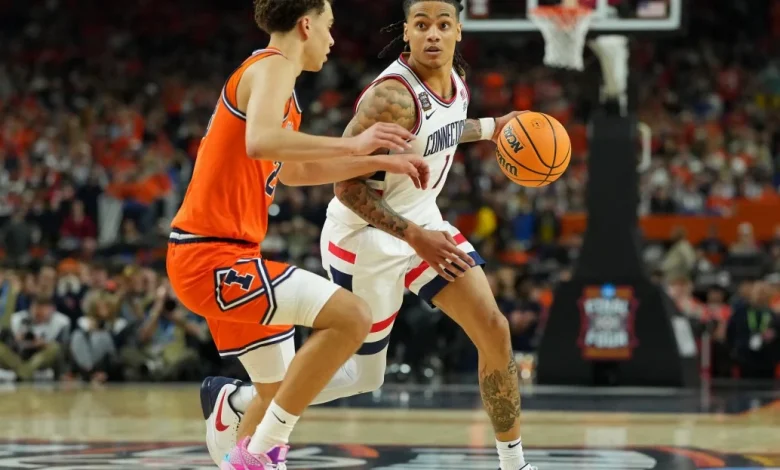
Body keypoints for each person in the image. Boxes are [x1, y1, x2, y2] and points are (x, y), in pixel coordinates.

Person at [202, 1, 537, 469]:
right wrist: (415, 237)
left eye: (443, 25)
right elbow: (348, 189)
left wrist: (489, 128)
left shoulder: (456, 81)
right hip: (365, 236)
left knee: (494, 329)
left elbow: (439, 129)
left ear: (459, 30)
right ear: (407, 33)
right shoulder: (393, 97)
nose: (433, 35)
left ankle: (514, 464)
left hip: (423, 221)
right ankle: (238, 402)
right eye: (422, 26)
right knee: (363, 376)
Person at [167, 0, 429, 467]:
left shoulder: (283, 92)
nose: (332, 41)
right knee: (351, 318)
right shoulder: (271, 68)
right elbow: (260, 141)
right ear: (306, 25)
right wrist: (355, 142)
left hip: (227, 257)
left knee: (276, 391)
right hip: (212, 259)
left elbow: (291, 170)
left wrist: (378, 161)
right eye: (329, 28)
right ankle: (263, 446)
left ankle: (236, 419)